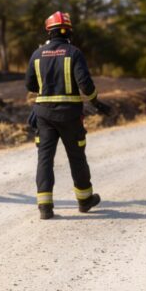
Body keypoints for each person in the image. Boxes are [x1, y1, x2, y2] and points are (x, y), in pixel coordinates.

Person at [25, 11, 112, 220]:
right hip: (70, 115)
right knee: (77, 157)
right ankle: (84, 200)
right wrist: (96, 102)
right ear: (68, 32)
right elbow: (85, 84)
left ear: (49, 31)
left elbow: (30, 85)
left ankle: (45, 207)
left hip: (43, 115)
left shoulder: (37, 55)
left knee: (44, 159)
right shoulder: (74, 52)